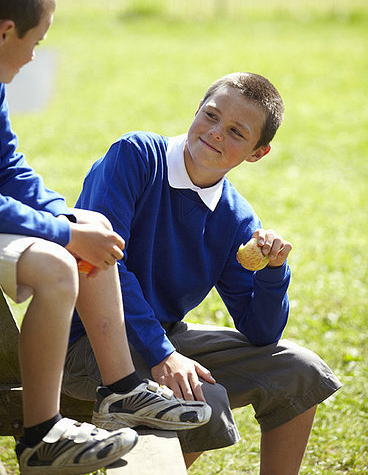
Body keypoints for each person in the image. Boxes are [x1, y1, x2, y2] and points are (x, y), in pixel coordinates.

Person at [0, 0, 210, 475]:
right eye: (37, 40)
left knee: (92, 228)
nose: (35, 56)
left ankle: (122, 389)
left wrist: (71, 221)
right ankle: (41, 435)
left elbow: (8, 166)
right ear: (5, 32)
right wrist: (62, 234)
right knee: (59, 263)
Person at [64, 72, 342, 474]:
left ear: (257, 153)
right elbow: (104, 267)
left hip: (162, 337)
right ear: (197, 108)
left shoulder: (235, 218)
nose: (215, 133)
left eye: (235, 132)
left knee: (300, 369)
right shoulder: (135, 156)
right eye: (211, 116)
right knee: (201, 401)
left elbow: (261, 332)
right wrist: (163, 354)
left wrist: (273, 272)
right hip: (87, 342)